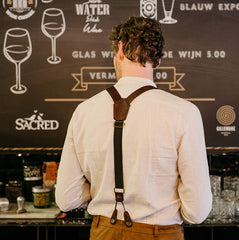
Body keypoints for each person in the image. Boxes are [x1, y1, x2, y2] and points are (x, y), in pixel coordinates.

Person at [56, 16, 212, 240]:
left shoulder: (84, 111)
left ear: (119, 49)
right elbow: (196, 212)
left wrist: (100, 184)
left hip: (103, 233)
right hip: (160, 234)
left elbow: (66, 199)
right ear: (157, 62)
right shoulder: (184, 112)